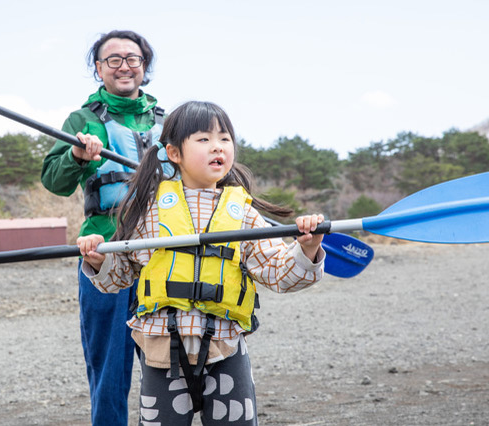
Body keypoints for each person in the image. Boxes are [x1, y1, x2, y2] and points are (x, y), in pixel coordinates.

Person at [77, 101, 326, 425]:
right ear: (174, 153)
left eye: (224, 139)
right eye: (204, 139)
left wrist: (307, 249)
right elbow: (119, 276)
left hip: (225, 347)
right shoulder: (148, 210)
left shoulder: (244, 214)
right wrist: (98, 259)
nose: (217, 147)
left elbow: (278, 272)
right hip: (161, 349)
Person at [41, 30, 164, 426]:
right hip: (105, 252)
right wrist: (78, 155)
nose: (124, 65)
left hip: (165, 252)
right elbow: (54, 182)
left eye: (133, 58)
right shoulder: (83, 120)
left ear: (144, 67)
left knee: (169, 365)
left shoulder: (171, 120)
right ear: (98, 69)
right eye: (113, 59)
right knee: (109, 367)